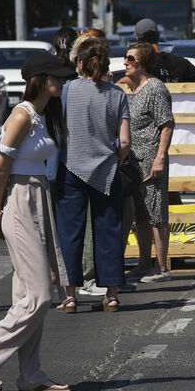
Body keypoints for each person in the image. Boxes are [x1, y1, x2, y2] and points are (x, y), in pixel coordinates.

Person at [0, 53, 75, 391]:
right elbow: (0, 168)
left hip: (37, 195)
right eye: (55, 77)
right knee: (41, 294)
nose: (61, 81)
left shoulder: (45, 114)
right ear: (39, 79)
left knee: (27, 295)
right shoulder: (22, 114)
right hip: (17, 198)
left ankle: (31, 375)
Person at [56, 38, 132, 312]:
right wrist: (115, 161)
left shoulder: (66, 91)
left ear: (80, 64)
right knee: (109, 232)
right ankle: (111, 294)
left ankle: (70, 296)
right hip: (106, 171)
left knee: (70, 233)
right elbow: (124, 142)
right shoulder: (118, 94)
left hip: (71, 168)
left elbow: (57, 134)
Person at [120, 42, 176, 282]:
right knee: (141, 215)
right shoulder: (135, 90)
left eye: (130, 59)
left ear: (141, 62)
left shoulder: (155, 88)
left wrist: (160, 158)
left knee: (156, 214)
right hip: (136, 163)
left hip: (152, 160)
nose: (125, 62)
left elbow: (167, 124)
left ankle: (162, 267)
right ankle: (144, 263)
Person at [133, 18, 195, 84]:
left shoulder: (141, 66)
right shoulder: (181, 63)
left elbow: (123, 84)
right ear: (158, 36)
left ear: (137, 41)